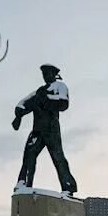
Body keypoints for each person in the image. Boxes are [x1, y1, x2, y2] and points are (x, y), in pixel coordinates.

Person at [12, 64, 78, 194]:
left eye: (47, 73)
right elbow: (24, 104)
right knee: (29, 156)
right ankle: (23, 184)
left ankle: (68, 186)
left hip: (51, 130)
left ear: (54, 74)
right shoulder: (39, 91)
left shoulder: (60, 87)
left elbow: (63, 103)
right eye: (44, 74)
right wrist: (19, 114)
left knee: (58, 157)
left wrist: (46, 99)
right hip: (37, 130)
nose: (45, 76)